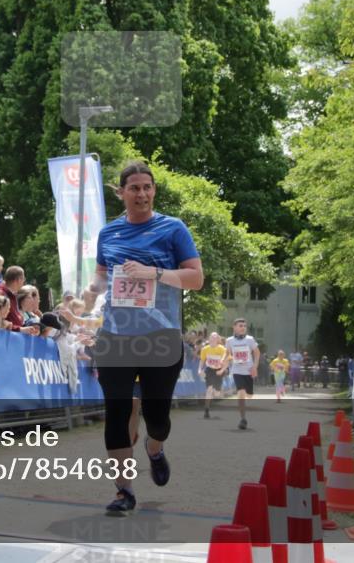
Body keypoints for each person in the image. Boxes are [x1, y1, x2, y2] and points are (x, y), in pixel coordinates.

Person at [82, 161, 203, 514]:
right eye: (134, 188)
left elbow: (195, 278)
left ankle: (154, 447)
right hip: (116, 336)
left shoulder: (173, 229)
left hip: (160, 336)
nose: (142, 194)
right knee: (117, 413)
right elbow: (102, 277)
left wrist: (154, 272)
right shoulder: (108, 233)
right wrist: (88, 293)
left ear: (154, 191)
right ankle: (124, 491)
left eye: (147, 187)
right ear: (121, 193)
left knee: (157, 416)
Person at [225, 318, 259, 430]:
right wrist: (222, 364)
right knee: (241, 393)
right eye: (240, 325)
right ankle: (243, 419)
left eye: (244, 326)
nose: (243, 327)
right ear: (234, 327)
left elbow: (257, 353)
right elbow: (227, 355)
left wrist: (254, 366)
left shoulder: (250, 339)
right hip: (237, 371)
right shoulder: (229, 341)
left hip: (249, 371)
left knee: (249, 395)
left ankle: (244, 408)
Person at [0, 266, 38, 333]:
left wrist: (24, 328)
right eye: (23, 279)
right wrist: (20, 329)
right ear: (18, 280)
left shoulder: (12, 295)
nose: (23, 282)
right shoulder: (1, 294)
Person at [199, 332, 228, 419]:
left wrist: (222, 370)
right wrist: (199, 370)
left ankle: (217, 391)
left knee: (216, 393)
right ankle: (206, 410)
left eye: (215, 337)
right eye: (212, 337)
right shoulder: (205, 349)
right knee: (209, 390)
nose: (213, 339)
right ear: (209, 339)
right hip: (209, 370)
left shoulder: (222, 349)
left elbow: (226, 361)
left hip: (218, 370)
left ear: (218, 340)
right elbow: (202, 361)